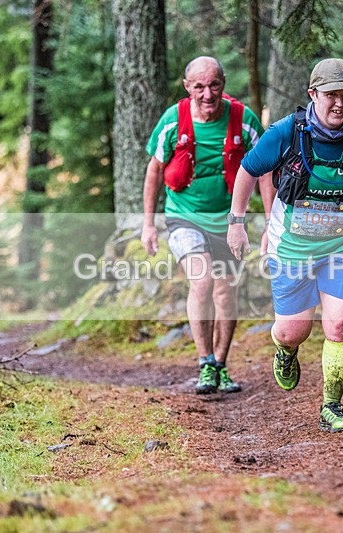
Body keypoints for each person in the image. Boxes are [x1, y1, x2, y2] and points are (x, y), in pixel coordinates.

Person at [227, 58, 343, 432]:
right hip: (291, 246)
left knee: (340, 325)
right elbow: (248, 170)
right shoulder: (285, 133)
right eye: (330, 95)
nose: (339, 104)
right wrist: (237, 223)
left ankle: (332, 406)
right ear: (313, 94)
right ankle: (286, 349)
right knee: (295, 330)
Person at [141, 56, 265, 394]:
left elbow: (266, 171)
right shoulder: (173, 120)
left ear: (224, 84)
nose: (207, 94)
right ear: (187, 87)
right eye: (199, 87)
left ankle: (221, 365)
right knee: (203, 280)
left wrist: (272, 222)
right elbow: (154, 171)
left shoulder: (244, 120)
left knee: (227, 291)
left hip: (230, 219)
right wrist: (148, 224)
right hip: (184, 216)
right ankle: (205, 363)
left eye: (214, 85)